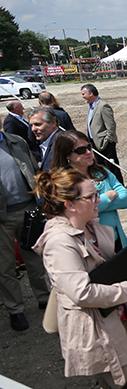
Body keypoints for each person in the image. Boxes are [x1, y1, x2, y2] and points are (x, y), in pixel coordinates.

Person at [33, 168, 127, 389]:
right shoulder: (59, 242)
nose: (99, 200)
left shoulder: (88, 227)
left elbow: (113, 268)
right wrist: (125, 291)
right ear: (69, 204)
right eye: (92, 196)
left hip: (111, 321)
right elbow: (82, 292)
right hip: (96, 331)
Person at [0, 130, 50, 331]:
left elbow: (34, 170)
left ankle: (44, 298)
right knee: (5, 265)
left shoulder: (16, 141)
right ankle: (15, 309)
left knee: (35, 258)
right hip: (2, 218)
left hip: (28, 209)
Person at [51, 130, 127, 251]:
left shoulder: (102, 173)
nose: (88, 152)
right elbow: (75, 212)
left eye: (89, 147)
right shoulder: (64, 183)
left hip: (116, 239)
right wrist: (108, 197)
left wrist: (90, 205)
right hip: (90, 245)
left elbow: (124, 200)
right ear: (67, 155)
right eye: (81, 150)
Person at [81, 84, 122, 184]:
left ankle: (119, 186)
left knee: (111, 166)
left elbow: (111, 125)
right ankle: (108, 186)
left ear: (91, 93)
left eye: (83, 94)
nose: (82, 96)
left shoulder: (103, 105)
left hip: (105, 143)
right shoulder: (92, 106)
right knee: (101, 167)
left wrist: (107, 140)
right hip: (95, 142)